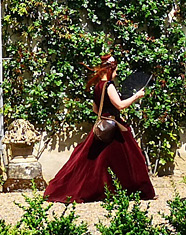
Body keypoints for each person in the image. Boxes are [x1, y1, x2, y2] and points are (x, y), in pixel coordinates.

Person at [43, 55, 156, 203]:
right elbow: (120, 105)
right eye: (115, 71)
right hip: (114, 129)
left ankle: (103, 189)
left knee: (94, 162)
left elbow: (96, 109)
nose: (116, 74)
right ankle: (132, 190)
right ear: (109, 70)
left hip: (103, 126)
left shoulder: (97, 87)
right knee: (129, 161)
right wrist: (136, 96)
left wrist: (105, 113)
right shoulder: (108, 86)